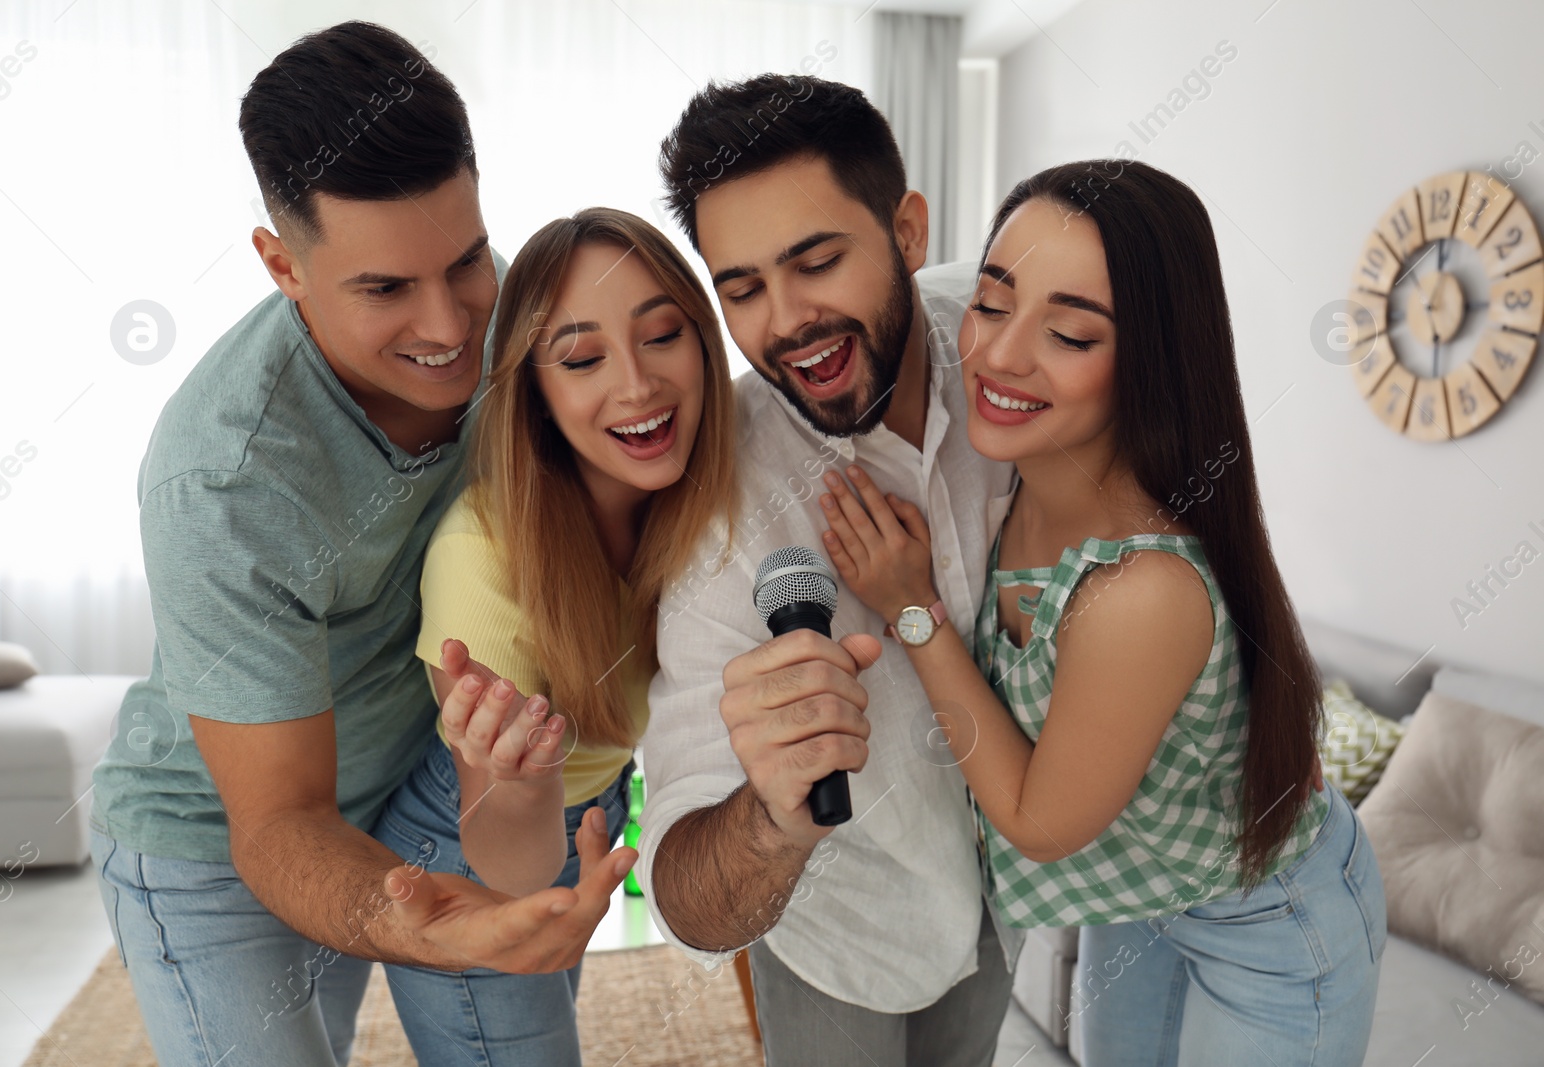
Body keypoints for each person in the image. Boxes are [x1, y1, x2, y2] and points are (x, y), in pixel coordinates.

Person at [86, 23, 633, 1067]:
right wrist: (423, 922)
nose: (451, 323)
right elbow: (280, 816)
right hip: (217, 835)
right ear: (282, 264)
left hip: (408, 777)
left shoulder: (506, 313)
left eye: (466, 259)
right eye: (385, 289)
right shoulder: (224, 480)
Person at [817, 159, 1387, 1066]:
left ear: (1151, 360)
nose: (1000, 356)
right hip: (1147, 892)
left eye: (1071, 335)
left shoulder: (1144, 591)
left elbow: (1038, 819)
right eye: (994, 303)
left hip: (1270, 920)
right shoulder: (1012, 476)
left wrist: (912, 608)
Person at [633, 74, 1019, 1066]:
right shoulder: (719, 504)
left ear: (907, 230)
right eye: (743, 287)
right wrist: (768, 815)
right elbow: (687, 898)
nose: (789, 320)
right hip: (843, 934)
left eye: (816, 261)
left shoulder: (1013, 364)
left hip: (1017, 903)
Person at [369, 207, 736, 1065]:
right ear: (533, 390)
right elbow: (510, 862)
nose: (639, 385)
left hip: (590, 810)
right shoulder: (482, 559)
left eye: (662, 336)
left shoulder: (693, 498)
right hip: (472, 841)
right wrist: (522, 782)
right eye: (580, 358)